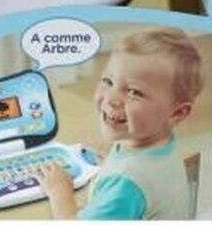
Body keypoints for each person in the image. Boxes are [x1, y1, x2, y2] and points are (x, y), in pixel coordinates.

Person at [41, 30, 202, 219]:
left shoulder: (125, 185)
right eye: (108, 81)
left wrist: (60, 194)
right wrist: (113, 163)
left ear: (176, 113)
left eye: (134, 92)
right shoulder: (162, 145)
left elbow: (130, 186)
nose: (111, 99)